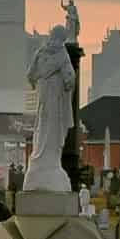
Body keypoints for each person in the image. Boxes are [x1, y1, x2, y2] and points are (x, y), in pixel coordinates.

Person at [24, 25, 75, 193]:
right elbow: (69, 78)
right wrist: (67, 82)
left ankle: (40, 160)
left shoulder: (40, 53)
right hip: (55, 98)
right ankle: (50, 163)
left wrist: (38, 82)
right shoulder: (61, 54)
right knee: (53, 129)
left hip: (43, 96)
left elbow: (30, 74)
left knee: (41, 127)